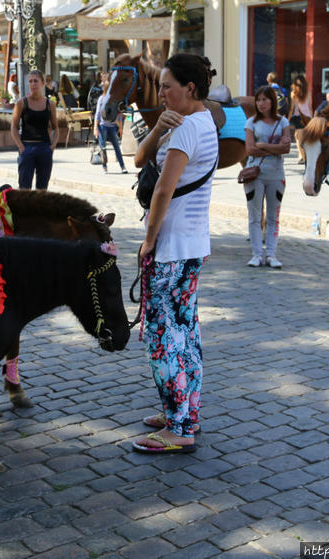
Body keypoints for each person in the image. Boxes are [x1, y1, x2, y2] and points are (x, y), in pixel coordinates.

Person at [131, 54, 218, 454]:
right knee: (186, 332)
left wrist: (149, 240)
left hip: (170, 247)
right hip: (193, 244)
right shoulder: (201, 123)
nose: (161, 92)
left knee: (163, 336)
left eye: (168, 86)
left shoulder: (187, 131)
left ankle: (179, 427)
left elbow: (163, 190)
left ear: (191, 89)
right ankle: (185, 413)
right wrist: (157, 130)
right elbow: (138, 159)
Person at [243, 85, 291, 268]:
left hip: (276, 174)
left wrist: (262, 145)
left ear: (272, 101)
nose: (261, 103)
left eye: (265, 99)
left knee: (273, 217)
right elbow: (249, 149)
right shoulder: (251, 123)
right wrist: (273, 147)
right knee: (254, 216)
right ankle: (256, 254)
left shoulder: (283, 122)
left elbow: (286, 149)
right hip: (255, 174)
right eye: (258, 100)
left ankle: (271, 254)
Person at [10, 70, 57, 190]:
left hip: (44, 148)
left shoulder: (49, 104)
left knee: (42, 189)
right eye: (30, 81)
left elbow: (55, 127)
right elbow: (14, 127)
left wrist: (52, 146)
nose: (33, 84)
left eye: (36, 81)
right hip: (27, 148)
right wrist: (21, 147)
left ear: (42, 83)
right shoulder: (21, 103)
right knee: (24, 189)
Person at [93, 89, 127, 173]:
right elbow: (97, 113)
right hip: (103, 125)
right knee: (103, 147)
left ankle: (122, 166)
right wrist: (95, 127)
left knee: (117, 147)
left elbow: (119, 113)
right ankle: (104, 167)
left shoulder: (114, 99)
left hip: (112, 126)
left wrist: (120, 127)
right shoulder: (102, 98)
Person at [288, 75, 312, 164]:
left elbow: (292, 108)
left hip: (298, 117)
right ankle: (302, 155)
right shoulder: (308, 93)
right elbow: (310, 107)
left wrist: (288, 118)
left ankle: (303, 157)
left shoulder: (293, 93)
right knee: (304, 138)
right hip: (308, 117)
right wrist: (312, 118)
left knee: (298, 138)